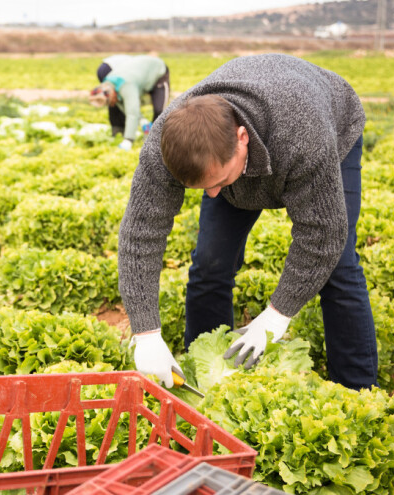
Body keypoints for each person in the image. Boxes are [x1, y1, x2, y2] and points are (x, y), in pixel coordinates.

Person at [118, 54, 377, 391]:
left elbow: (322, 236)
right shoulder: (166, 145)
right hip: (248, 147)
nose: (210, 195)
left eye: (217, 181)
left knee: (338, 267)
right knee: (210, 263)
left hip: (325, 125)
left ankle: (356, 391)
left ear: (242, 138)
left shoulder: (304, 135)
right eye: (201, 187)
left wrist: (276, 315)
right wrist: (146, 333)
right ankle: (205, 375)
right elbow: (140, 235)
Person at [88, 55, 170, 151]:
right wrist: (142, 120)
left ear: (112, 94)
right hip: (141, 76)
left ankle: (159, 144)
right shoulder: (109, 83)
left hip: (158, 72)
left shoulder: (126, 85)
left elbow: (132, 112)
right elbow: (124, 107)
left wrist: (128, 140)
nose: (111, 104)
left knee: (159, 110)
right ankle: (151, 140)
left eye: (110, 102)